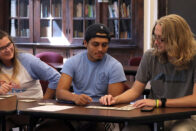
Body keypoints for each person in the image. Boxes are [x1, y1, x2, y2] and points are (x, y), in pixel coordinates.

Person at [99, 14, 196, 131]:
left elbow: (194, 100)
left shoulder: (194, 58)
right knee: (131, 129)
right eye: (155, 36)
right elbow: (135, 90)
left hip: (187, 116)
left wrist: (159, 102)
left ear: (177, 40)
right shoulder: (151, 56)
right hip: (155, 115)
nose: (156, 42)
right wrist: (116, 99)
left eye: (161, 39)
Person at [54, 23, 126, 131]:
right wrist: (75, 98)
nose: (100, 49)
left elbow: (115, 103)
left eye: (104, 45)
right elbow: (60, 92)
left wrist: (109, 100)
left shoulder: (115, 66)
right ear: (85, 43)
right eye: (95, 44)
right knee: (49, 125)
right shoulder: (72, 62)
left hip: (104, 114)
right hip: (78, 111)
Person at [0, 30, 61, 130]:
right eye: (2, 48)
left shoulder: (28, 60)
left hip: (29, 110)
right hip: (6, 109)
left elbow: (56, 77)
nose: (7, 49)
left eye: (9, 45)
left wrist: (44, 101)